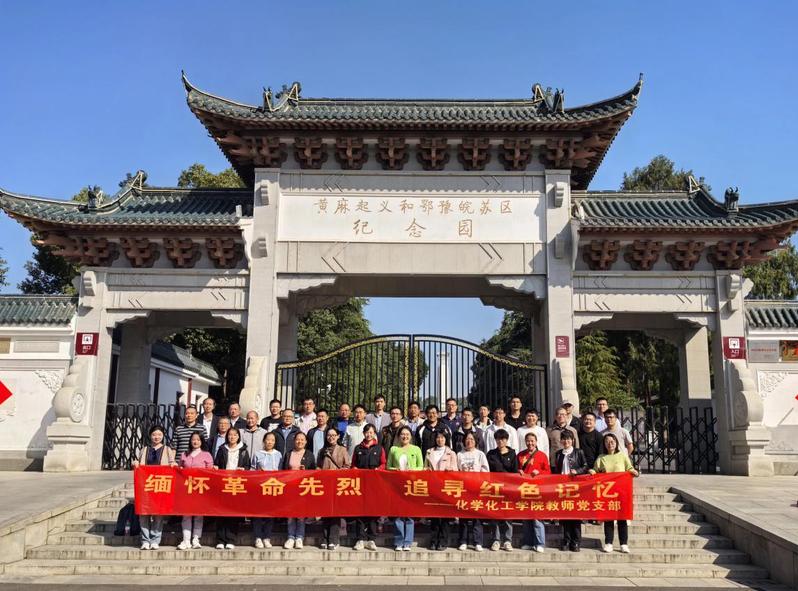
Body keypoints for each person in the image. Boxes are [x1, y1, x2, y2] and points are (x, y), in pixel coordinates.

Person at [590, 432, 639, 554]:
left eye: (612, 441)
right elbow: (596, 470)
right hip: (607, 493)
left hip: (621, 492)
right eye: (607, 442)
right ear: (604, 444)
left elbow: (629, 468)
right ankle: (608, 543)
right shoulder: (601, 457)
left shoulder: (622, 456)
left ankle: (624, 544)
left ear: (616, 443)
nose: (610, 444)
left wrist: (634, 472)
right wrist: (592, 471)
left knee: (622, 518)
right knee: (608, 518)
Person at [132, 425, 176, 550]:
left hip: (160, 486)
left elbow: (172, 462)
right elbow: (139, 463)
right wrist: (135, 463)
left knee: (158, 514)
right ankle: (145, 540)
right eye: (154, 434)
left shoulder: (167, 449)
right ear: (150, 436)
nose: (156, 437)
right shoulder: (144, 449)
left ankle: (155, 539)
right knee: (143, 514)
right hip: (146, 486)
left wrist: (173, 464)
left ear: (163, 436)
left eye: (159, 435)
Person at [213, 427, 250, 550]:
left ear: (238, 436)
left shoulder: (243, 450)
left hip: (236, 484)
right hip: (223, 484)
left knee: (233, 513)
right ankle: (220, 539)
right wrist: (216, 468)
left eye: (234, 435)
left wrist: (243, 469)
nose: (232, 437)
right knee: (221, 513)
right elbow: (217, 463)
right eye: (230, 435)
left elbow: (248, 466)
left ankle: (230, 539)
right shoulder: (222, 449)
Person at [387, 426, 423, 551]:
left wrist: (412, 470)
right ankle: (398, 541)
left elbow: (421, 467)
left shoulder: (416, 449)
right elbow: (388, 467)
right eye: (402, 434)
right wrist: (395, 470)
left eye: (407, 434)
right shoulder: (394, 449)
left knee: (409, 515)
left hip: (411, 485)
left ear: (411, 436)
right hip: (397, 486)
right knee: (398, 515)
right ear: (398, 436)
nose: (405, 436)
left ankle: (407, 542)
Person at [351, 424, 385, 551]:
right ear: (363, 433)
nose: (369, 434)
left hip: (374, 485)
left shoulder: (379, 448)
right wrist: (354, 469)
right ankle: (360, 539)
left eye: (371, 432)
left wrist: (378, 469)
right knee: (359, 511)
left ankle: (371, 539)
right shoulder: (358, 448)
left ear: (374, 433)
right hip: (360, 484)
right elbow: (353, 464)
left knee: (373, 511)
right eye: (367, 432)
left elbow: (383, 464)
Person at [177, 432, 214, 550]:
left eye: (198, 439)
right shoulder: (184, 454)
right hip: (186, 489)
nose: (195, 441)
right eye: (193, 439)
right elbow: (179, 469)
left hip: (200, 489)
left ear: (201, 441)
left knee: (198, 515)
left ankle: (196, 539)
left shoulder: (206, 455)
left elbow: (210, 472)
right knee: (186, 514)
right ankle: (186, 540)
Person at [553, 430, 588, 552]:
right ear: (561, 441)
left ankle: (576, 541)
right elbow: (556, 470)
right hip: (563, 488)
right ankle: (566, 540)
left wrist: (577, 471)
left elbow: (585, 466)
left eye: (568, 439)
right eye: (564, 439)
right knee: (565, 516)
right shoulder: (558, 454)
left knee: (575, 516)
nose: (566, 441)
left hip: (575, 488)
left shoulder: (578, 452)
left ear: (572, 440)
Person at [281, 431, 316, 549]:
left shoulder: (309, 454)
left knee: (301, 514)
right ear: (294, 441)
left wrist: (305, 470)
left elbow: (314, 472)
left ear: (305, 442)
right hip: (290, 488)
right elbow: (282, 471)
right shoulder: (288, 454)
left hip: (303, 488)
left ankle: (299, 537)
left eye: (302, 439)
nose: (299, 441)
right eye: (297, 439)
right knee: (290, 514)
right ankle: (291, 537)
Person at [424, 430, 458, 550]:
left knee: (445, 516)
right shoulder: (429, 452)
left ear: (446, 439)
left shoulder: (451, 453)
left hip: (446, 487)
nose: (440, 440)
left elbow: (456, 470)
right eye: (438, 437)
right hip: (433, 486)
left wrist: (451, 469)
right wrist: (426, 470)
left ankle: (443, 541)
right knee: (434, 516)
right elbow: (425, 467)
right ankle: (434, 540)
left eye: (442, 437)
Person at [517, 432, 550, 553]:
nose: (530, 443)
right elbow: (516, 469)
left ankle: (539, 543)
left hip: (538, 490)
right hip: (524, 490)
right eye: (528, 441)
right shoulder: (520, 455)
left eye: (532, 441)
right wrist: (518, 472)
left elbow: (548, 472)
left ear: (536, 442)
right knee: (526, 518)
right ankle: (528, 542)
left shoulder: (542, 455)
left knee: (537, 517)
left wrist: (540, 473)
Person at [318, 428, 351, 550]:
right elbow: (318, 466)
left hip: (338, 485)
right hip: (325, 485)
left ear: (338, 436)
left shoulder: (342, 450)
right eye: (329, 435)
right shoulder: (322, 451)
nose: (331, 437)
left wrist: (339, 472)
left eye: (333, 435)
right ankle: (324, 538)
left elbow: (348, 466)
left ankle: (334, 539)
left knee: (336, 513)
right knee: (325, 512)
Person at [456, 432, 488, 552]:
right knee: (463, 516)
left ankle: (477, 542)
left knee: (477, 516)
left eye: (472, 439)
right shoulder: (459, 454)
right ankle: (463, 541)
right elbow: (456, 470)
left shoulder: (480, 454)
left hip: (476, 488)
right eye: (467, 439)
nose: (469, 441)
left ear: (476, 441)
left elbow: (485, 470)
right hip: (463, 488)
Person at [486, 429, 517, 551]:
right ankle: (496, 540)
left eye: (503, 439)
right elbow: (487, 471)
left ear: (507, 440)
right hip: (495, 488)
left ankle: (508, 540)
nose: (500, 441)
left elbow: (515, 472)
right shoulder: (491, 454)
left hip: (508, 488)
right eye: (498, 439)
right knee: (495, 515)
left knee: (508, 515)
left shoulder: (512, 454)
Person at [250, 431, 282, 549]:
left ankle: (267, 537)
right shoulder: (257, 454)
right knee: (257, 513)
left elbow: (281, 471)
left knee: (270, 513)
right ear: (264, 441)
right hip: (259, 488)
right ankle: (258, 537)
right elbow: (252, 469)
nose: (270, 442)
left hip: (273, 488)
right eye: (268, 440)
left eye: (272, 440)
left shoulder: (278, 454)